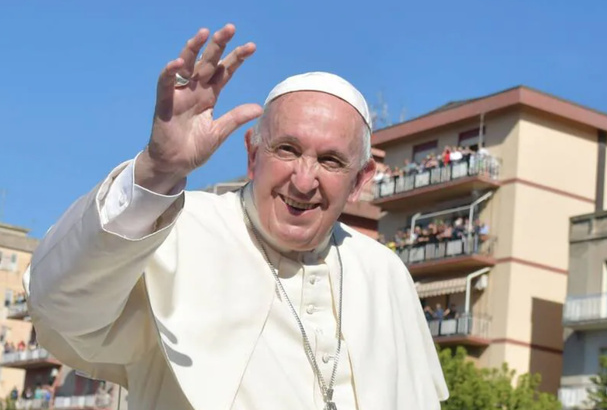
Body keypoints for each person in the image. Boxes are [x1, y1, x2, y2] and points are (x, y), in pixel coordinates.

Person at [24, 24, 448, 409]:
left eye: (331, 161)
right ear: (251, 153)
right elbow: (60, 308)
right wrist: (157, 170)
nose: (303, 181)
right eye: (287, 149)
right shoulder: (171, 229)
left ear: (360, 180)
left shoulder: (386, 273)